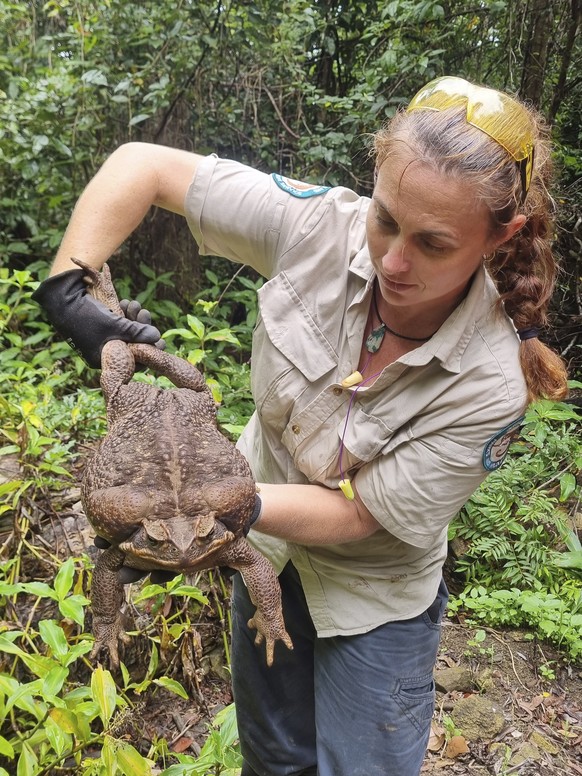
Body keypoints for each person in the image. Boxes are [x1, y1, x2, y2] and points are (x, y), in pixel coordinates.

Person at [33, 76, 569, 776]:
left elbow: (361, 517)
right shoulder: (318, 226)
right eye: (385, 219)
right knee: (275, 757)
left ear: (504, 234)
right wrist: (69, 287)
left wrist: (218, 505)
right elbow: (145, 165)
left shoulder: (491, 384)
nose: (393, 260)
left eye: (433, 244)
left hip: (373, 597)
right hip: (263, 558)